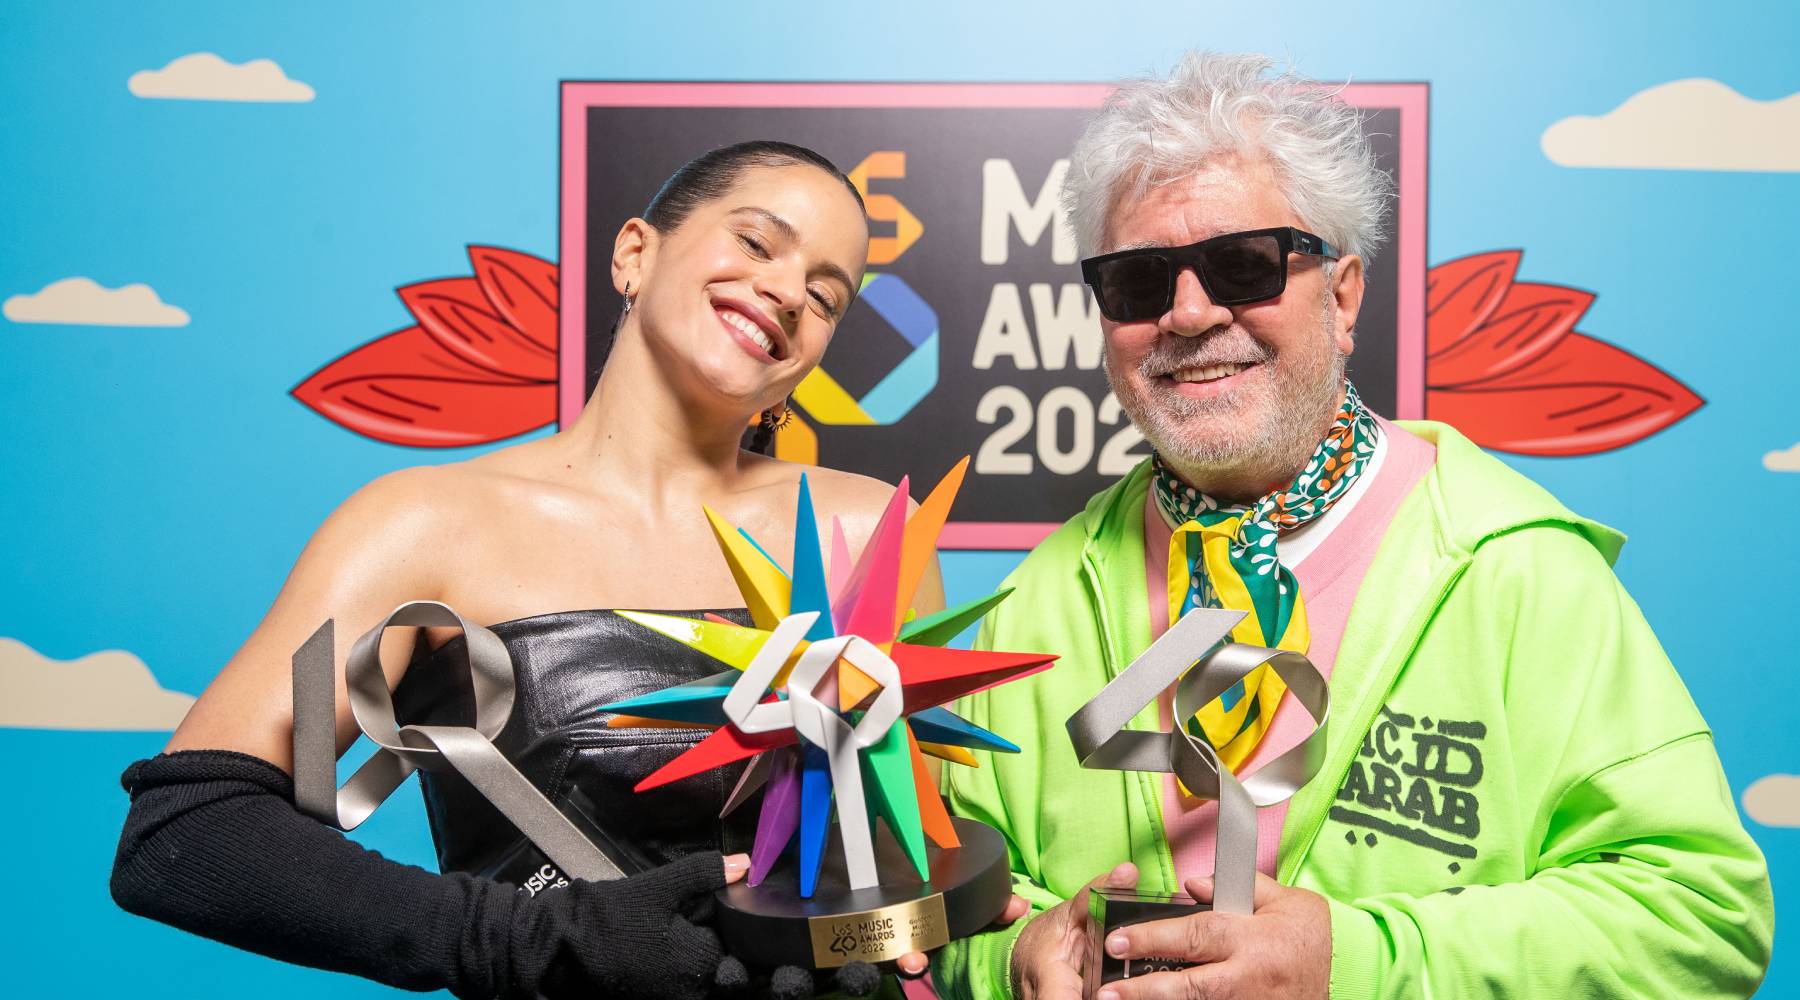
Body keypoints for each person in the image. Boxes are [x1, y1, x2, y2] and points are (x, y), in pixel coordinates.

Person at [935, 53, 1774, 1000]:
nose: (1187, 311)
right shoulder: (1035, 599)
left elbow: (1701, 917)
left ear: (1341, 298)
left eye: (1242, 265)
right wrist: (1008, 963)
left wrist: (1361, 963)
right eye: (1137, 282)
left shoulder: (1515, 570)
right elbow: (947, 917)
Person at [111, 140, 962, 999]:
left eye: (823, 298)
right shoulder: (423, 528)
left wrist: (888, 938)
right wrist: (533, 940)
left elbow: (918, 860)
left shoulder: (870, 530)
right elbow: (192, 826)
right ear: (636, 253)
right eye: (754, 243)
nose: (785, 292)